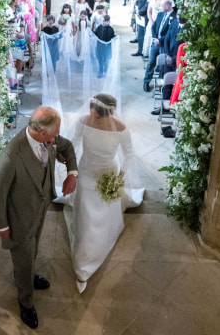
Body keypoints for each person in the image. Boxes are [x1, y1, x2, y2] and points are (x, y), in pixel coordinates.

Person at [0, 107, 78, 329]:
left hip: (40, 208)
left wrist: (72, 173)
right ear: (40, 133)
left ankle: (27, 276)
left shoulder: (49, 138)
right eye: (53, 133)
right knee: (23, 254)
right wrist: (2, 226)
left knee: (32, 249)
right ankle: (25, 301)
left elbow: (67, 148)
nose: (56, 137)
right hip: (19, 217)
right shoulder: (10, 158)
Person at [63, 94, 143, 293]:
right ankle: (83, 264)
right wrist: (70, 167)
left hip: (108, 173)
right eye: (91, 115)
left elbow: (129, 154)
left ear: (109, 113)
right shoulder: (83, 121)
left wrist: (120, 176)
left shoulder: (121, 129)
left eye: (97, 117)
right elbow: (74, 143)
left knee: (104, 210)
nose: (92, 119)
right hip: (86, 171)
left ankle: (90, 256)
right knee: (86, 216)